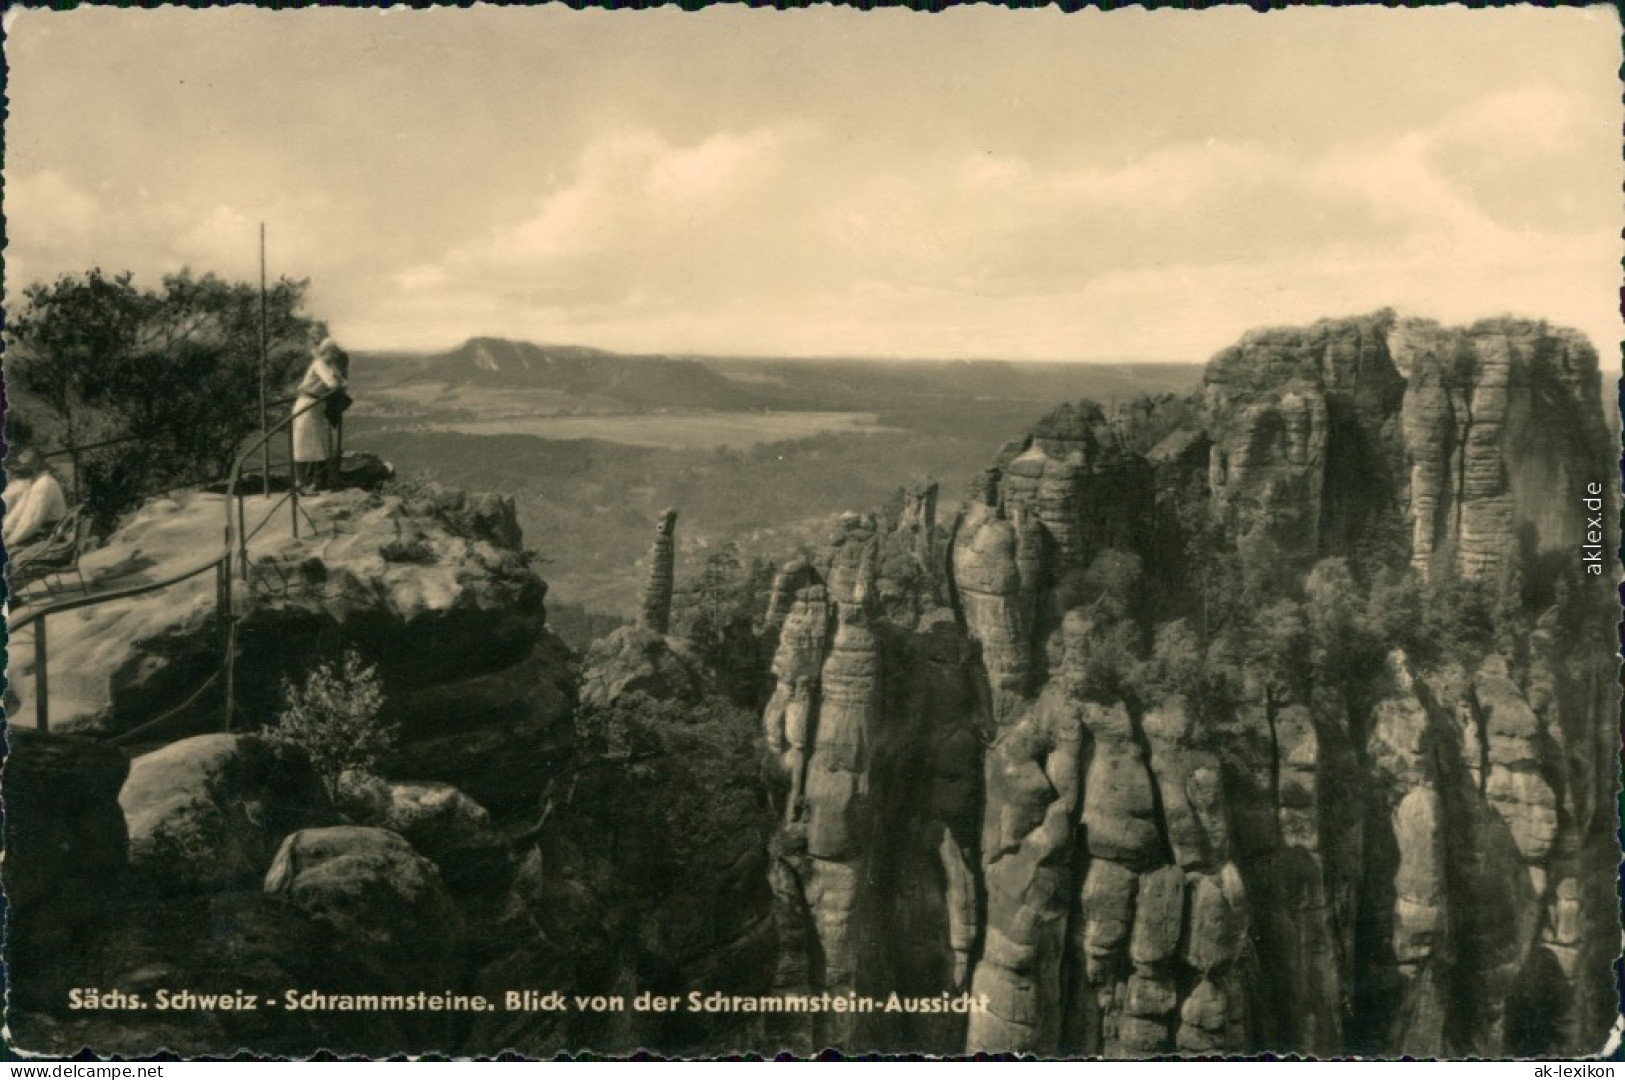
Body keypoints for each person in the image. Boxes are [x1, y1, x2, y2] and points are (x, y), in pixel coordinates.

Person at [292, 338, 351, 493]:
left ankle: (326, 481)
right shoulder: (319, 364)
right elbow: (334, 384)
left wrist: (340, 382)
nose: (335, 356)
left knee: (322, 444)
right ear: (326, 351)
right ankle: (301, 484)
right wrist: (339, 381)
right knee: (303, 445)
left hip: (316, 406)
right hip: (307, 406)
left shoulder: (326, 366)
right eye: (333, 352)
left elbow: (341, 384)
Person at [3, 448, 68, 556]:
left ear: (35, 468)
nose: (18, 475)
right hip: (36, 534)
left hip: (49, 536)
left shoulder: (44, 484)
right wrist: (5, 531)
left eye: (23, 470)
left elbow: (31, 521)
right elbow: (18, 513)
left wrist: (10, 541)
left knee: (10, 557)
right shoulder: (35, 484)